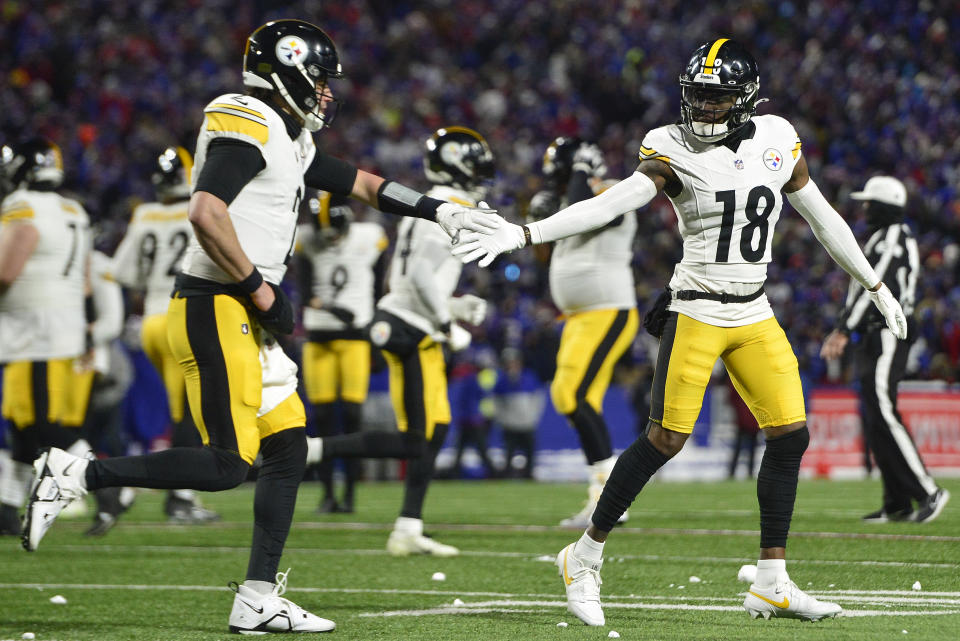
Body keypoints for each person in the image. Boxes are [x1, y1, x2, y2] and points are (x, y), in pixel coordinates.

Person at [21, 19, 498, 635]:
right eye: (319, 80)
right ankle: (78, 473)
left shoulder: (287, 133)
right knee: (227, 464)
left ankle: (256, 597)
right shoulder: (248, 118)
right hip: (215, 302)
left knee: (288, 445)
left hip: (239, 308)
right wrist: (258, 287)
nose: (326, 93)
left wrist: (439, 210)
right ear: (287, 69)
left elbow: (360, 183)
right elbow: (205, 210)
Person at [455, 38, 910, 625]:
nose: (703, 109)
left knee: (790, 434)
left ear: (745, 99)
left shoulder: (776, 137)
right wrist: (526, 234)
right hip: (696, 309)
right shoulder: (670, 147)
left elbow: (821, 215)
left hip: (753, 311)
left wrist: (874, 285)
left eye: (717, 99)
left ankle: (772, 581)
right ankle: (584, 554)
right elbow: (616, 201)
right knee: (665, 439)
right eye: (696, 96)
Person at [306, 126, 493, 557]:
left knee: (436, 427)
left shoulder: (430, 204)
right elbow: (420, 276)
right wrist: (448, 322)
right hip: (411, 326)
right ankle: (314, 449)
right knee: (416, 437)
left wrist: (456, 308)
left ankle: (409, 525)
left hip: (408, 320)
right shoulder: (451, 207)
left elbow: (409, 277)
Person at [821, 176, 949, 524]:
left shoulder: (892, 237)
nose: (864, 209)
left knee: (884, 410)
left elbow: (875, 288)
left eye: (868, 203)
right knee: (876, 417)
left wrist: (844, 329)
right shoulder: (884, 236)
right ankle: (897, 502)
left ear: (882, 206)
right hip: (875, 335)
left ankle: (928, 490)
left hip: (888, 332)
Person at [529, 136, 638, 526]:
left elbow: (584, 210)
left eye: (562, 178)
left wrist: (580, 171)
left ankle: (612, 496)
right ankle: (605, 497)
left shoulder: (611, 191)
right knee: (571, 398)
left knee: (572, 394)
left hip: (608, 309)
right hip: (580, 316)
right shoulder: (569, 199)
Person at [110, 146, 221, 525]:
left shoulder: (144, 213)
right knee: (188, 413)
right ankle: (180, 497)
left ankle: (175, 494)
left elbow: (124, 273)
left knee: (181, 411)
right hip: (181, 316)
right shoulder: (201, 209)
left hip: (151, 322)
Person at [0, 137, 96, 537]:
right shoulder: (74, 208)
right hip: (65, 323)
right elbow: (86, 280)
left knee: (36, 422)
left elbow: (7, 270)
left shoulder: (22, 205)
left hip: (31, 328)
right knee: (25, 427)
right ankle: (6, 511)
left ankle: (110, 485)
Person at [295, 192, 387, 513]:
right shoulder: (307, 240)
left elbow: (378, 286)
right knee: (320, 422)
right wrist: (336, 308)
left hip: (355, 340)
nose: (332, 241)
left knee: (351, 419)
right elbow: (305, 293)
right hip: (319, 337)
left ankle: (349, 494)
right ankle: (327, 493)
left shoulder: (369, 237)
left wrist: (373, 319)